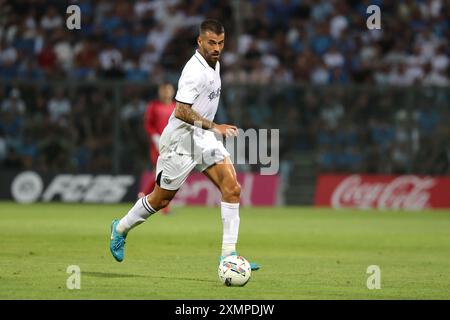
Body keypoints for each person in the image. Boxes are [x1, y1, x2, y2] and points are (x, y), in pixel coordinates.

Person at [110, 19, 260, 271]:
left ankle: (228, 256)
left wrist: (209, 130)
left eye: (221, 43)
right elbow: (181, 111)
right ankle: (121, 227)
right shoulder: (194, 71)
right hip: (181, 140)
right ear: (200, 41)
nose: (217, 48)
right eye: (211, 42)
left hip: (201, 138)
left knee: (232, 188)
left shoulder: (216, 64)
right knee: (160, 200)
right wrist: (215, 127)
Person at [138, 83, 176, 215]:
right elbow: (148, 124)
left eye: (168, 90)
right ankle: (162, 205)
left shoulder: (176, 107)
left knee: (163, 174)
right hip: (158, 144)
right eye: (163, 90)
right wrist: (155, 137)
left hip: (173, 144)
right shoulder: (153, 106)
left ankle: (144, 195)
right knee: (162, 172)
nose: (166, 93)